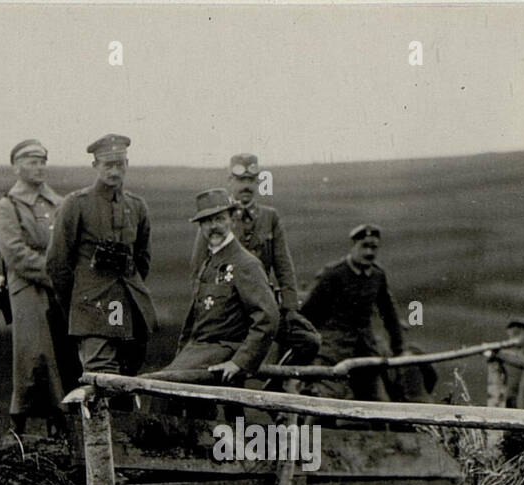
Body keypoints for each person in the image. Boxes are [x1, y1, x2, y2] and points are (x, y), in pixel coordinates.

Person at [48, 133, 158, 404]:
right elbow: (58, 262)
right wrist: (77, 303)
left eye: (119, 164)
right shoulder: (76, 204)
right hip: (93, 309)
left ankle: (121, 443)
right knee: (99, 380)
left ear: (127, 164)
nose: (113, 171)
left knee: (126, 381)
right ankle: (99, 445)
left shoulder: (137, 206)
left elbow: (142, 258)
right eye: (107, 165)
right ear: (95, 165)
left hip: (127, 310)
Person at [190, 153, 319, 366]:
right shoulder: (217, 219)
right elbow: (198, 270)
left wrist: (290, 309)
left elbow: (284, 267)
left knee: (309, 341)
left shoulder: (270, 218)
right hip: (227, 312)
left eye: (251, 180)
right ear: (230, 181)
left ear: (258, 183)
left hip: (262, 306)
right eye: (240, 180)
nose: (246, 186)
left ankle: (275, 384)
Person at [0, 138, 78, 437]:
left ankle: (63, 429)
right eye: (31, 161)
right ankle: (20, 432)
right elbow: (15, 253)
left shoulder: (61, 204)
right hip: (29, 291)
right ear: (16, 167)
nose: (38, 167)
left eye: (42, 161)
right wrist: (57, 273)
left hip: (61, 292)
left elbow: (70, 244)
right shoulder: (8, 206)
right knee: (35, 360)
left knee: (66, 356)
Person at [161, 188, 277, 388]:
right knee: (161, 386)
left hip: (224, 350)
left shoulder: (245, 264)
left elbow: (268, 317)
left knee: (164, 385)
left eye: (219, 219)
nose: (213, 227)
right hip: (198, 351)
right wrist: (182, 354)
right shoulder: (209, 262)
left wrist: (239, 362)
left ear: (232, 219)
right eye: (206, 221)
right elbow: (195, 321)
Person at [300, 223, 409, 401]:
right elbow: (309, 312)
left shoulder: (377, 276)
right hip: (333, 348)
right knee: (327, 400)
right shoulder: (334, 274)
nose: (369, 253)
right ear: (353, 247)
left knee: (375, 403)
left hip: (365, 348)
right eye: (364, 246)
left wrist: (399, 348)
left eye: (374, 247)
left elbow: (389, 313)